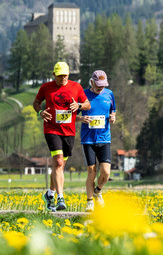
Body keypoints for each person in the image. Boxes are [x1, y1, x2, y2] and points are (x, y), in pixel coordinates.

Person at [33, 61, 90, 212]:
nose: (63, 78)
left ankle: (50, 194)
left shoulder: (76, 87)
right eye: (60, 76)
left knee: (59, 166)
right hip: (51, 129)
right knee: (58, 162)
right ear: (54, 75)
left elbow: (87, 104)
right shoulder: (46, 87)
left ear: (69, 74)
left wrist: (79, 106)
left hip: (69, 131)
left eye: (65, 75)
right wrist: (40, 112)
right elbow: (36, 102)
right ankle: (60, 198)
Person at [80, 70, 116, 212]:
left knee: (106, 172)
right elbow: (73, 115)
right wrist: (81, 119)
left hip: (104, 138)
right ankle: (89, 202)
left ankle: (98, 191)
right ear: (92, 82)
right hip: (88, 139)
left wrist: (113, 117)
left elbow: (113, 110)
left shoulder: (109, 94)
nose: (100, 87)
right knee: (91, 171)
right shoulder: (83, 95)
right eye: (98, 85)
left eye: (103, 85)